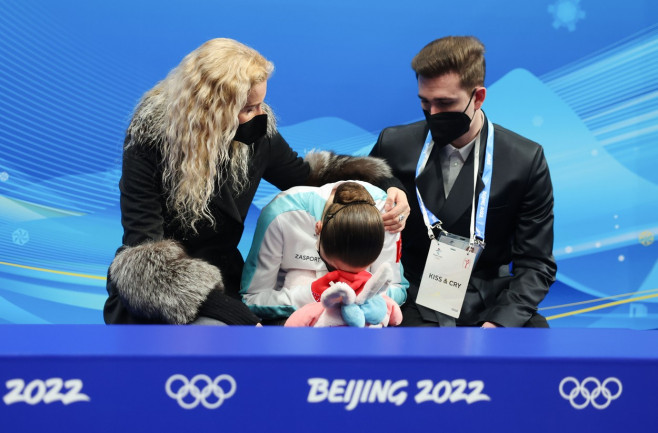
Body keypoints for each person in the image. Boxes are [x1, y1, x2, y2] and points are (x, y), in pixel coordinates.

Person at [104, 38, 409, 325]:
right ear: (212, 112)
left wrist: (388, 183)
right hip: (159, 291)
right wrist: (235, 315)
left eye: (261, 103)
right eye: (248, 108)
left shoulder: (257, 135)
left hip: (226, 278)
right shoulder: (150, 140)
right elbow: (144, 252)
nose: (260, 114)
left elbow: (306, 177)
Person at [370, 36, 556, 328]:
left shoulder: (524, 159)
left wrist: (500, 322)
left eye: (444, 103)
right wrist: (388, 186)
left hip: (490, 301)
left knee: (532, 336)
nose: (432, 114)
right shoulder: (395, 144)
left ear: (478, 97)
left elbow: (536, 263)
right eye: (424, 102)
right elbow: (354, 188)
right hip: (411, 297)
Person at [241, 181, 407, 325]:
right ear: (318, 230)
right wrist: (312, 293)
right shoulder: (280, 214)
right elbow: (252, 299)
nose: (345, 277)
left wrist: (364, 290)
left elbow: (398, 289)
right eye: (336, 267)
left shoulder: (388, 214)